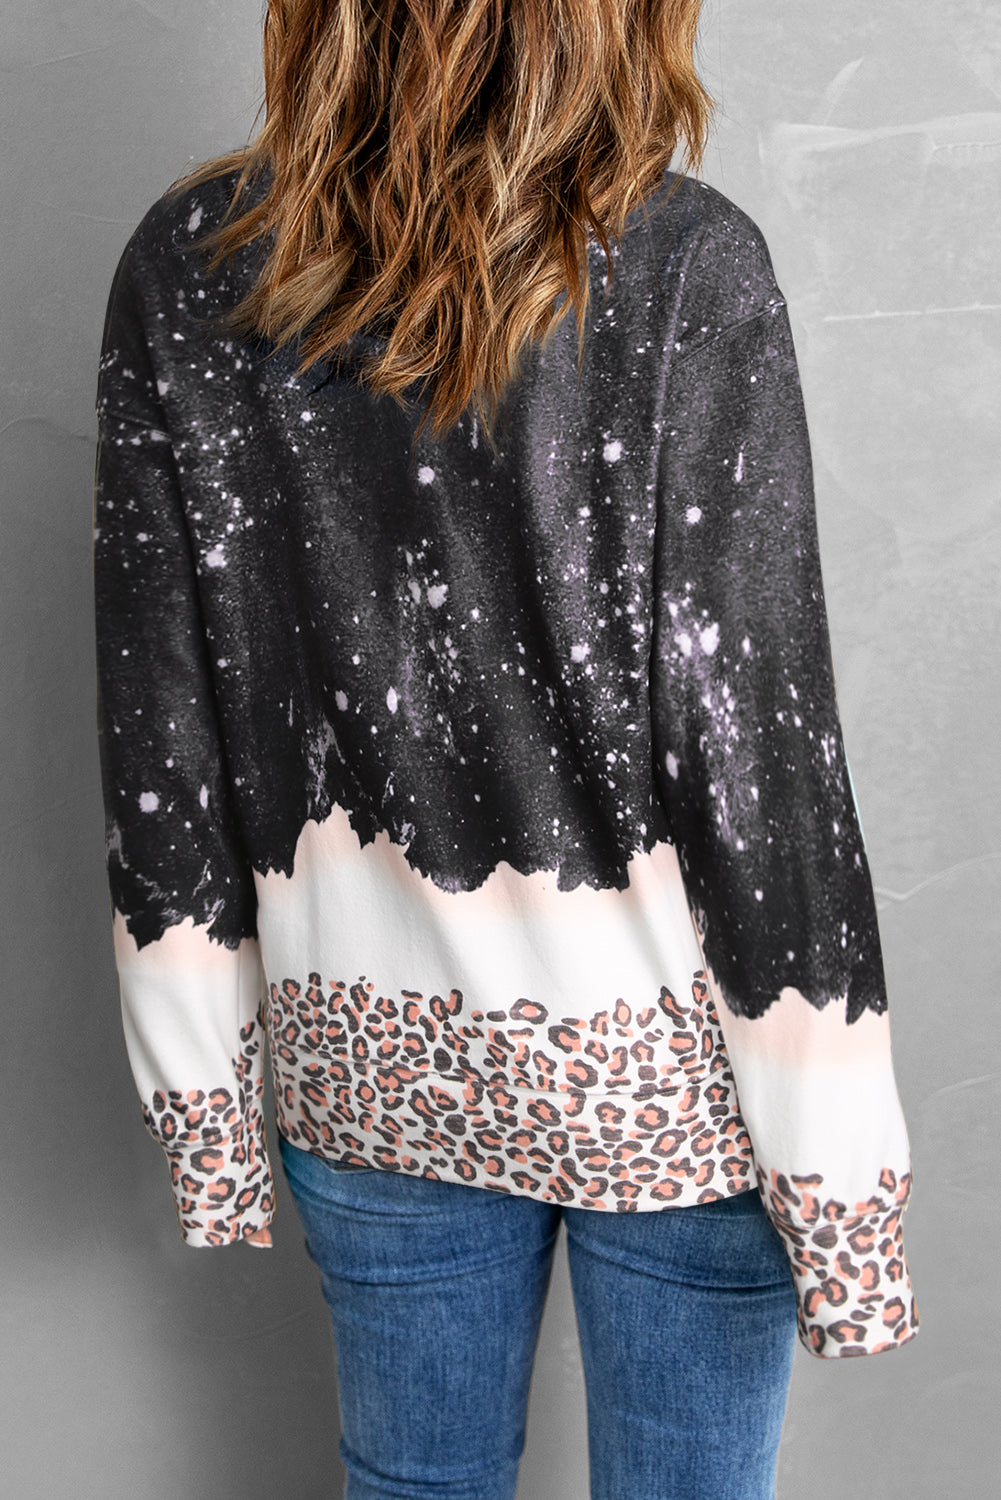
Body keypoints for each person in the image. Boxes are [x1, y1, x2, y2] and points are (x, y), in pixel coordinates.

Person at [93, 3, 919, 1497]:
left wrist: (207, 1113)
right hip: (674, 1084)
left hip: (370, 1062)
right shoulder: (684, 266)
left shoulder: (199, 262)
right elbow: (758, 752)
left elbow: (164, 721)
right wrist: (841, 1179)